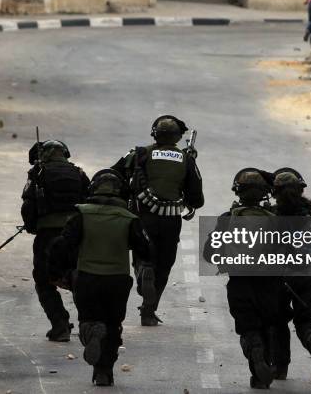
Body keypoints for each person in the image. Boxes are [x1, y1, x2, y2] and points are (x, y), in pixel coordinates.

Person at [49, 169, 154, 386]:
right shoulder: (129, 219)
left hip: (87, 278)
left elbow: (62, 245)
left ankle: (90, 333)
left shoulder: (81, 214)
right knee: (113, 325)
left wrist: (56, 273)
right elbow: (146, 249)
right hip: (118, 280)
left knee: (89, 320)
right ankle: (104, 371)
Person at [112, 115, 204, 326]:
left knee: (142, 256)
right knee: (164, 264)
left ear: (154, 133)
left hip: (141, 215)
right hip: (170, 220)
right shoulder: (185, 159)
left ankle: (144, 270)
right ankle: (149, 311)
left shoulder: (139, 153)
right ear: (178, 137)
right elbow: (197, 198)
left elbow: (113, 174)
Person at [203, 168, 281, 390]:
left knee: (248, 326)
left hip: (239, 281)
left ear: (238, 191)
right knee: (267, 325)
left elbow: (209, 253)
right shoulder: (276, 219)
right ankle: (262, 372)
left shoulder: (227, 219)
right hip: (270, 283)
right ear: (264, 193)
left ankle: (254, 353)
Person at [20, 140, 90, 342]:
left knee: (44, 281)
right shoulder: (79, 174)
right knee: (78, 278)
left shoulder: (38, 174)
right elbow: (90, 200)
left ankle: (60, 326)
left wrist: (33, 226)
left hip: (47, 236)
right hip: (75, 235)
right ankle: (88, 323)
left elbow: (28, 206)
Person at [270, 169, 311, 380]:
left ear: (275, 192)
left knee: (277, 322)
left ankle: (279, 368)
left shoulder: (272, 217)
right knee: (305, 321)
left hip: (281, 278)